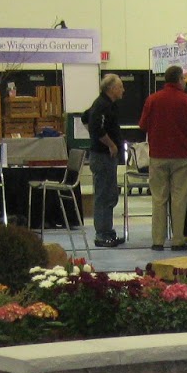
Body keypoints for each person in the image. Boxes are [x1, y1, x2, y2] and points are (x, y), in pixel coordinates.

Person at [139, 65, 187, 250]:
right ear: (179, 80)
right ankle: (178, 240)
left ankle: (158, 241)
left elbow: (143, 125)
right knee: (179, 199)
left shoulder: (152, 99)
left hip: (158, 156)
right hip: (182, 156)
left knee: (158, 199)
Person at [84, 73, 125, 246]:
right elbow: (95, 126)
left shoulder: (108, 104)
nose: (123, 90)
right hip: (102, 157)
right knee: (103, 195)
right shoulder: (102, 105)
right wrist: (110, 144)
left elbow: (85, 118)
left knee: (110, 194)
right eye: (120, 86)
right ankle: (101, 234)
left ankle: (107, 230)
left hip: (107, 157)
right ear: (112, 88)